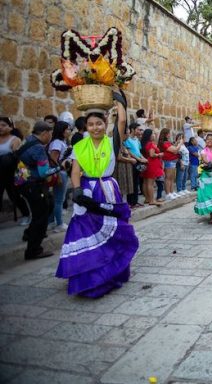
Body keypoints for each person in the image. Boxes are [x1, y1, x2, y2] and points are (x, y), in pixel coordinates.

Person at [56, 96, 139, 297]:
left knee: (112, 229)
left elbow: (121, 121)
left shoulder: (112, 142)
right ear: (86, 127)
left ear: (105, 124)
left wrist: (120, 100)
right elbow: (76, 171)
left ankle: (110, 273)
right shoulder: (80, 147)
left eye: (99, 123)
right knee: (84, 230)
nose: (95, 128)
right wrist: (76, 191)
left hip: (107, 189)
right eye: (91, 124)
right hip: (86, 191)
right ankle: (87, 276)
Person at [17, 121, 61, 259]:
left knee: (48, 206)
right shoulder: (38, 148)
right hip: (33, 185)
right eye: (50, 134)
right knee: (40, 217)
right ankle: (33, 250)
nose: (51, 137)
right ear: (44, 133)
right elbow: (44, 172)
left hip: (22, 183)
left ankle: (29, 234)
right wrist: (60, 167)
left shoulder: (28, 141)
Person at [0, 117, 30, 224]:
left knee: (15, 196)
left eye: (3, 125)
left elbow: (16, 158)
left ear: (11, 127)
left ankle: (26, 215)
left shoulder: (15, 139)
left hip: (12, 173)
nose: (0, 127)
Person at [47, 121, 72, 232]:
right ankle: (59, 224)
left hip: (62, 172)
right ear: (62, 130)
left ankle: (51, 222)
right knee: (59, 200)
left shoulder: (61, 142)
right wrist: (58, 174)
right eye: (67, 129)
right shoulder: (57, 143)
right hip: (60, 173)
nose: (69, 131)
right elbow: (53, 160)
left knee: (57, 199)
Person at [123, 122, 148, 207]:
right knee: (132, 182)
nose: (139, 131)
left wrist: (143, 158)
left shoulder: (137, 140)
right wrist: (139, 159)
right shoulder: (127, 139)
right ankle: (131, 202)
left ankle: (135, 201)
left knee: (136, 181)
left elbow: (138, 151)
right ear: (132, 130)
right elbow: (129, 152)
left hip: (138, 161)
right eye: (138, 129)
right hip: (132, 162)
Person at [141, 129, 164, 206]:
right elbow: (151, 154)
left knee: (145, 182)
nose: (154, 135)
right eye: (153, 134)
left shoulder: (145, 143)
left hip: (147, 164)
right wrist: (159, 154)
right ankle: (152, 200)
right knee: (150, 183)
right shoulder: (150, 144)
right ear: (149, 135)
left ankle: (147, 199)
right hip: (152, 164)